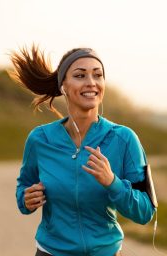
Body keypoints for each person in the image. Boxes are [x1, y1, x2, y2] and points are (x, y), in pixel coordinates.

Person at [10, 45, 156, 256]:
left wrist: (112, 182)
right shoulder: (40, 139)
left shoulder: (124, 139)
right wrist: (25, 199)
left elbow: (145, 211)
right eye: (80, 75)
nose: (91, 82)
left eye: (98, 75)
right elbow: (24, 187)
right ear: (63, 86)